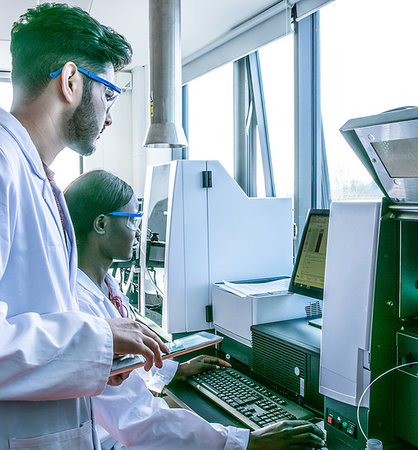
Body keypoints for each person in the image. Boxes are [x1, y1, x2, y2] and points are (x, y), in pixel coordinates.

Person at [0, 4, 168, 449]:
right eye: (109, 93)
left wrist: (98, 358)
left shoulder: (34, 175)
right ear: (71, 82)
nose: (110, 116)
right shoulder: (3, 165)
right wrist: (100, 336)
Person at [65, 169, 327, 450]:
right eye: (131, 220)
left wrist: (170, 372)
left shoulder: (104, 285)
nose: (139, 231)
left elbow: (121, 368)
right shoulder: (81, 306)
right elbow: (137, 420)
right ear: (101, 224)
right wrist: (249, 441)